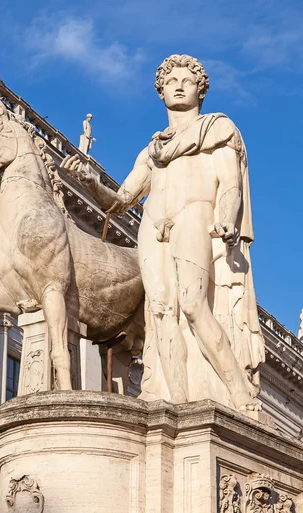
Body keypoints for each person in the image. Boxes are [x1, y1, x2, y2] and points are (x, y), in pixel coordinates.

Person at [61, 54, 264, 409]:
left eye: (188, 81)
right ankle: (175, 401)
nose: (179, 86)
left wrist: (229, 218)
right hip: (153, 227)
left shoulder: (216, 130)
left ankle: (239, 394)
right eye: (172, 82)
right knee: (159, 312)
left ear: (200, 91)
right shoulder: (152, 151)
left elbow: (231, 184)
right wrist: (89, 181)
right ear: (161, 92)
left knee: (192, 304)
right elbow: (121, 200)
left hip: (195, 216)